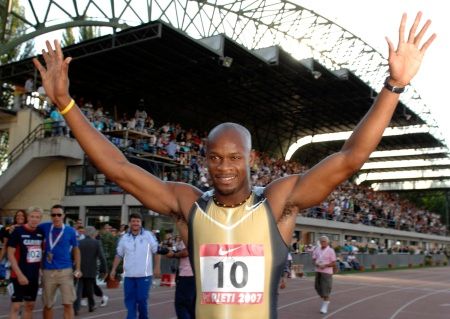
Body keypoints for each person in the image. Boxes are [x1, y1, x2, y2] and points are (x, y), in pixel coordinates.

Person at [33, 12, 436, 319]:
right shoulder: (189, 204)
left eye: (234, 158)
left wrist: (393, 86)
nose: (223, 167)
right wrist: (66, 105)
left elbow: (348, 160)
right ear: (204, 159)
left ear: (249, 160)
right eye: (214, 158)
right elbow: (119, 168)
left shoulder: (278, 203)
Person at [109, 213, 159, 319]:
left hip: (144, 275)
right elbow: (119, 254)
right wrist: (113, 269)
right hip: (129, 276)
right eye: (133, 221)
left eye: (137, 221)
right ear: (130, 223)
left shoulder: (148, 235)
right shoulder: (124, 238)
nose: (135, 223)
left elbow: (156, 251)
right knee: (130, 301)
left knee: (141, 300)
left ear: (141, 223)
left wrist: (157, 267)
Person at [40, 204, 81, 319]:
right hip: (48, 271)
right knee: (48, 305)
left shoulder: (70, 231)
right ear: (50, 216)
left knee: (68, 304)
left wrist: (78, 268)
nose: (56, 217)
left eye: (59, 214)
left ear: (64, 216)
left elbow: (76, 250)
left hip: (66, 271)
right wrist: (14, 227)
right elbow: (30, 227)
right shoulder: (44, 227)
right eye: (53, 215)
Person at [7, 207, 44, 319]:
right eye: (32, 216)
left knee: (30, 305)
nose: (34, 219)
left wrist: (40, 271)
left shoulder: (41, 232)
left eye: (37, 217)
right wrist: (19, 275)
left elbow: (40, 252)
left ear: (40, 219)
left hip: (33, 276)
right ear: (27, 217)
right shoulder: (17, 231)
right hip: (18, 275)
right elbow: (10, 255)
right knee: (16, 306)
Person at [73, 226, 107, 315]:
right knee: (90, 288)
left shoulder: (79, 242)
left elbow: (73, 255)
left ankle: (76, 308)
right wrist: (104, 270)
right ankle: (91, 306)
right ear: (93, 233)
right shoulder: (96, 243)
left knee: (79, 288)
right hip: (91, 269)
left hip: (79, 268)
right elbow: (102, 257)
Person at [165, 230, 195, 319]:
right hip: (189, 274)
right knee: (191, 306)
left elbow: (186, 252)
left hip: (187, 275)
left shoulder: (189, 238)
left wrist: (174, 255)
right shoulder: (187, 239)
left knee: (181, 304)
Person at [312, 236, 337, 314]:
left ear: (327, 242)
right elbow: (313, 259)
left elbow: (333, 263)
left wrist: (325, 265)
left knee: (325, 290)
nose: (322, 242)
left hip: (327, 272)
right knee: (317, 287)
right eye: (321, 241)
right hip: (318, 271)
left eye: (324, 241)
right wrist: (316, 263)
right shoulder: (317, 249)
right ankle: (325, 299)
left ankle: (325, 305)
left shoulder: (331, 251)